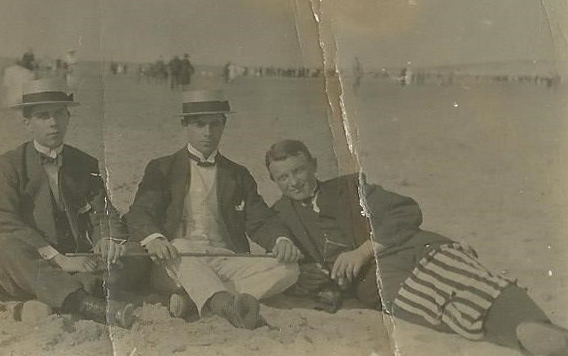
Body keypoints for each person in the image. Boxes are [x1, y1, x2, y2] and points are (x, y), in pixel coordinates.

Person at [263, 139, 568, 355]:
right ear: (274, 180)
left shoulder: (348, 186)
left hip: (416, 248)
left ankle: (534, 326)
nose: (294, 182)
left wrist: (363, 251)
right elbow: (292, 259)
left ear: (313, 166)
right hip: (380, 282)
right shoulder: (282, 217)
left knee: (478, 281)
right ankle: (524, 334)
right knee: (447, 309)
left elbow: (404, 212)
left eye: (299, 171)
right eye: (283, 177)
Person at [124, 90, 301, 330]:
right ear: (184, 124)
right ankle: (226, 306)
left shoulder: (238, 174)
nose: (208, 132)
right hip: (175, 263)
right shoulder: (162, 168)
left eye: (215, 124)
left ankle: (196, 298)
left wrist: (281, 240)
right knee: (181, 245)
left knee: (288, 269)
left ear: (224, 124)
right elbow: (139, 212)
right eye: (199, 124)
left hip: (224, 257)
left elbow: (261, 219)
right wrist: (154, 239)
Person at [0, 79, 148, 329]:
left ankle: (51, 300)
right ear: (27, 123)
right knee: (2, 245)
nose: (53, 122)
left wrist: (107, 239)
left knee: (137, 252)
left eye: (59, 113)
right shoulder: (10, 164)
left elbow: (104, 212)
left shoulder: (84, 163)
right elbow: (2, 218)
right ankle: (88, 304)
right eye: (43, 115)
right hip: (33, 260)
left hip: (79, 261)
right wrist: (58, 259)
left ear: (68, 117)